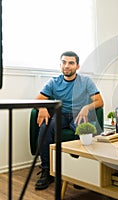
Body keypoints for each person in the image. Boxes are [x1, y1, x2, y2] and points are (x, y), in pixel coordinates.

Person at [35, 51, 104, 190]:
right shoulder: (54, 82)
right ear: (60, 65)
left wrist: (86, 107)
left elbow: (99, 101)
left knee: (83, 130)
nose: (67, 66)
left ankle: (80, 172)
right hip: (60, 114)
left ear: (77, 66)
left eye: (71, 63)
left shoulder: (86, 81)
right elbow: (38, 100)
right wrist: (42, 108)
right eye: (64, 62)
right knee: (45, 127)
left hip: (79, 114)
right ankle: (47, 171)